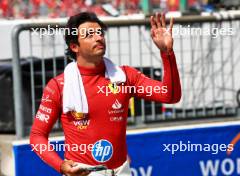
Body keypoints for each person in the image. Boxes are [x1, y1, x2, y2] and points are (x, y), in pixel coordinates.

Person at [30, 12, 181, 176]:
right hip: (83, 173)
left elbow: (170, 96)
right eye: (89, 35)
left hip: (122, 170)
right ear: (74, 46)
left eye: (100, 33)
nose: (98, 38)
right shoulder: (58, 86)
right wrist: (60, 165)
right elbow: (37, 136)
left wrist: (167, 53)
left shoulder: (125, 76)